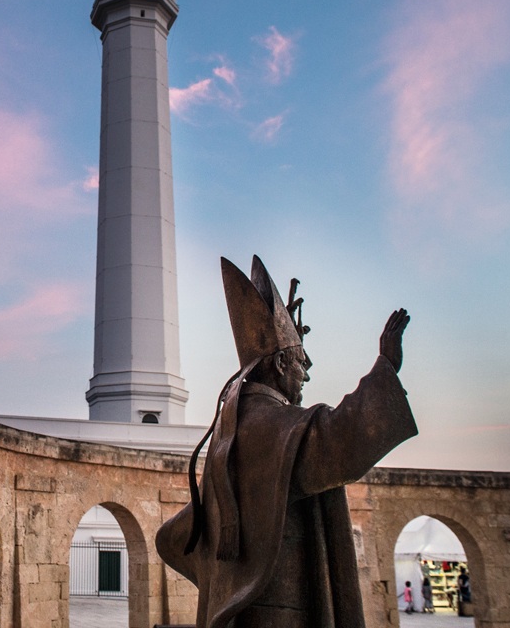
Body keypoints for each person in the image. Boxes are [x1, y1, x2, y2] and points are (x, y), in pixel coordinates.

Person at [157, 256, 417, 628]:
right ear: (279, 365)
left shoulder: (233, 427)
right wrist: (386, 369)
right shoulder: (273, 425)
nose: (306, 376)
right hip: (282, 605)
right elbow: (338, 440)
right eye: (300, 363)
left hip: (241, 606)